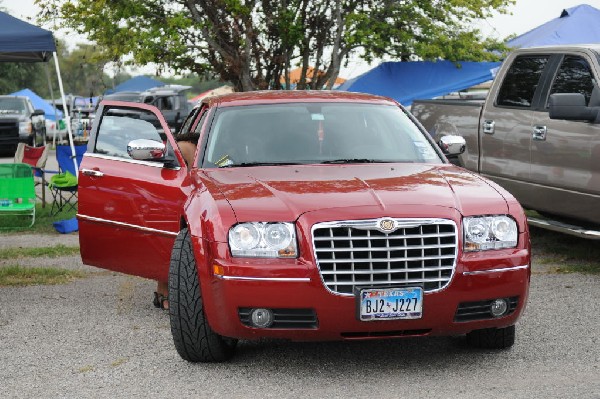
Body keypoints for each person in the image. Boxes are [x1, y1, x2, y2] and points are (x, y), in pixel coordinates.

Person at [153, 131, 199, 310]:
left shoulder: (181, 147)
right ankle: (164, 293)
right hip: (179, 199)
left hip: (176, 198)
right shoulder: (185, 147)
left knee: (169, 243)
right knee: (172, 243)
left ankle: (163, 292)